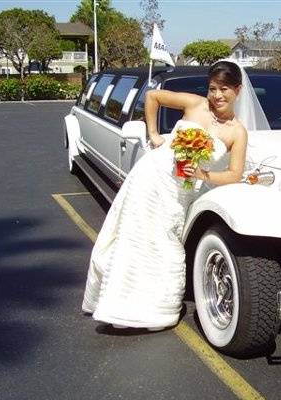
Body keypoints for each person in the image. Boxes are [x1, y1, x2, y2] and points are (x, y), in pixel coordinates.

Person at [81, 59, 268, 330]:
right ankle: (120, 309)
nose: (217, 95)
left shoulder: (237, 132)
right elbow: (153, 96)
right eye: (213, 88)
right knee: (134, 239)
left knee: (165, 246)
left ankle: (154, 311)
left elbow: (235, 174)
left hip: (180, 193)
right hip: (151, 177)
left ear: (237, 90)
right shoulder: (195, 104)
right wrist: (155, 135)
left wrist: (205, 176)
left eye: (224, 89)